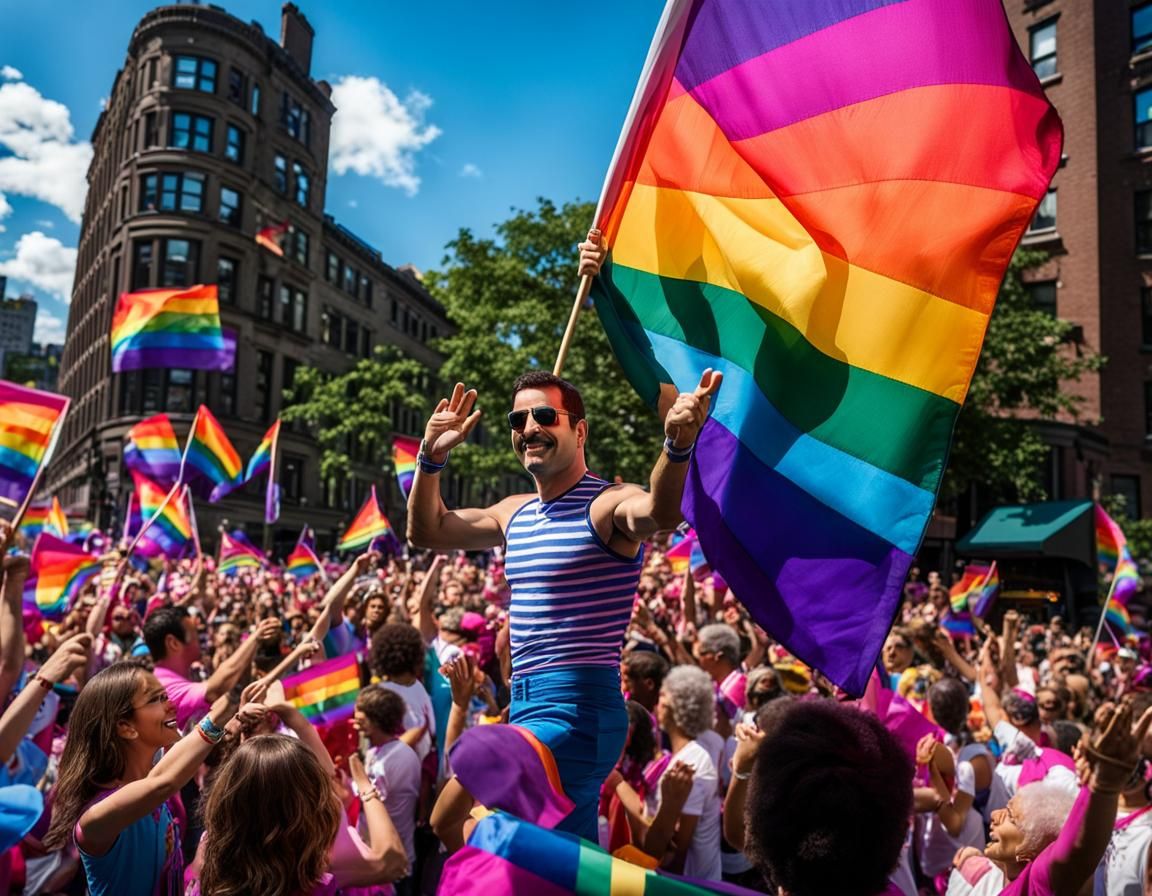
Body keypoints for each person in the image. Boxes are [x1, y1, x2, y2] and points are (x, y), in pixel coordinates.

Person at [410, 241, 722, 841]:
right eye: (518, 421)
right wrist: (429, 458)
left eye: (545, 417)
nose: (529, 428)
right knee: (556, 855)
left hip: (578, 712)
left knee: (449, 817)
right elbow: (426, 530)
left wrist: (677, 444)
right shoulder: (513, 512)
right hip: (525, 705)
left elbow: (658, 512)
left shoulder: (606, 504)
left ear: (578, 430)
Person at [42, 661, 264, 896]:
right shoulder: (97, 817)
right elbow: (163, 782)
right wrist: (227, 702)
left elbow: (167, 771)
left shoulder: (155, 774)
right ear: (126, 727)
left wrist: (234, 717)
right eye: (155, 699)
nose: (171, 705)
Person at [194, 735, 408, 895]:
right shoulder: (316, 877)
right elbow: (393, 863)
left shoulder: (208, 856)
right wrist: (364, 785)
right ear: (306, 812)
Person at [142, 605, 280, 729]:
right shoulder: (163, 686)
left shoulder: (169, 678)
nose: (201, 638)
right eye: (195, 634)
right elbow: (217, 687)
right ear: (173, 643)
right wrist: (257, 636)